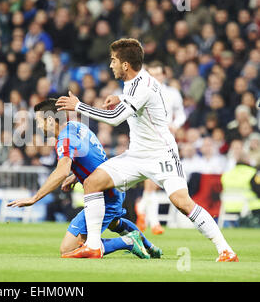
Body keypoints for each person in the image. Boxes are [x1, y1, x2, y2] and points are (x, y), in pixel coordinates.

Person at [56, 38, 238, 262]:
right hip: (136, 155)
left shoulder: (142, 85)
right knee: (93, 182)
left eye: (113, 60)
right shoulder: (135, 82)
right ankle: (94, 246)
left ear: (125, 65)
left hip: (161, 154)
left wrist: (79, 106)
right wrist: (121, 98)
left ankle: (226, 250)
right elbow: (141, 102)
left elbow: (114, 119)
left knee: (182, 202)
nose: (110, 64)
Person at [8, 99, 161, 259]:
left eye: (40, 122)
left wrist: (35, 197)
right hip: (111, 185)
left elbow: (61, 171)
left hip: (103, 195)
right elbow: (93, 157)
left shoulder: (65, 139)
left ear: (51, 120)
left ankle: (128, 242)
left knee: (67, 249)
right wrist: (75, 176)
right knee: (115, 222)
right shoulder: (78, 127)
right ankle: (150, 247)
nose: (38, 126)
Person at [136, 61, 187, 235]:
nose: (157, 77)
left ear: (164, 75)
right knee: (151, 182)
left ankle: (141, 208)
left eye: (159, 73)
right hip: (150, 141)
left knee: (156, 183)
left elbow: (181, 113)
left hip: (167, 139)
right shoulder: (143, 91)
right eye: (153, 73)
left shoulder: (173, 93)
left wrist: (175, 124)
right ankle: (155, 222)